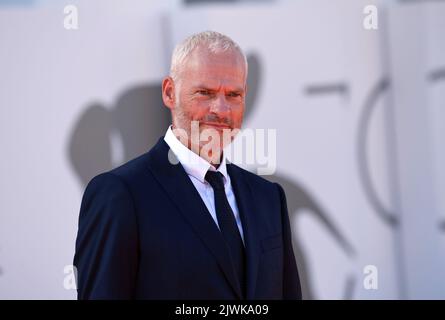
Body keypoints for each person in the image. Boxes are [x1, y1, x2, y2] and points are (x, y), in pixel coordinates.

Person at [73, 31, 301, 300]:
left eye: (233, 94)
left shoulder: (269, 198)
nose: (221, 109)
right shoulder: (120, 195)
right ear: (170, 93)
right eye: (205, 93)